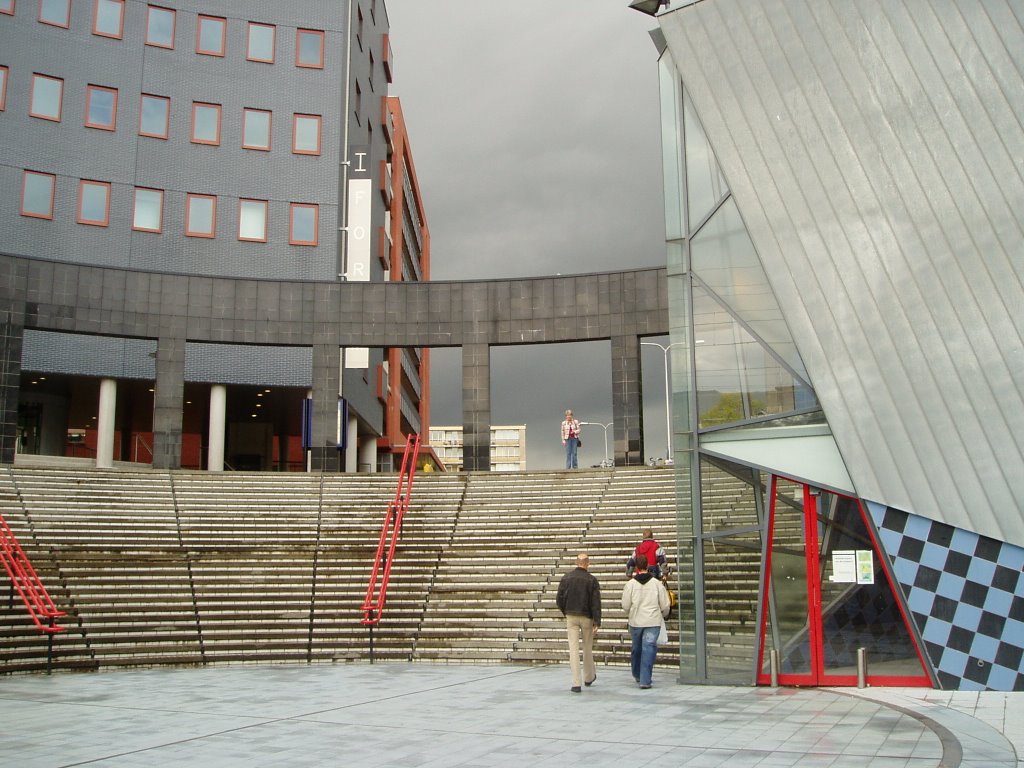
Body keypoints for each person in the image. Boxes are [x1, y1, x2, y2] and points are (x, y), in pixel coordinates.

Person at [621, 553, 670, 689]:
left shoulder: (630, 585)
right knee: (649, 648)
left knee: (636, 648)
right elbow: (665, 604)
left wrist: (630, 612)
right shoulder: (656, 584)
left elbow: (625, 605)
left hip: (636, 621)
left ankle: (637, 673)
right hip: (653, 621)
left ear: (636, 566)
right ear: (648, 566)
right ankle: (645, 679)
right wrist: (663, 614)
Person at [555, 552, 601, 693]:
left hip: (571, 615)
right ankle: (588, 677)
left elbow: (559, 598)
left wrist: (566, 611)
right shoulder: (592, 580)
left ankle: (576, 682)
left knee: (573, 649)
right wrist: (597, 621)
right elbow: (595, 602)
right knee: (587, 647)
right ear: (587, 563)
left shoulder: (566, 578)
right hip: (586, 616)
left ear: (576, 562)